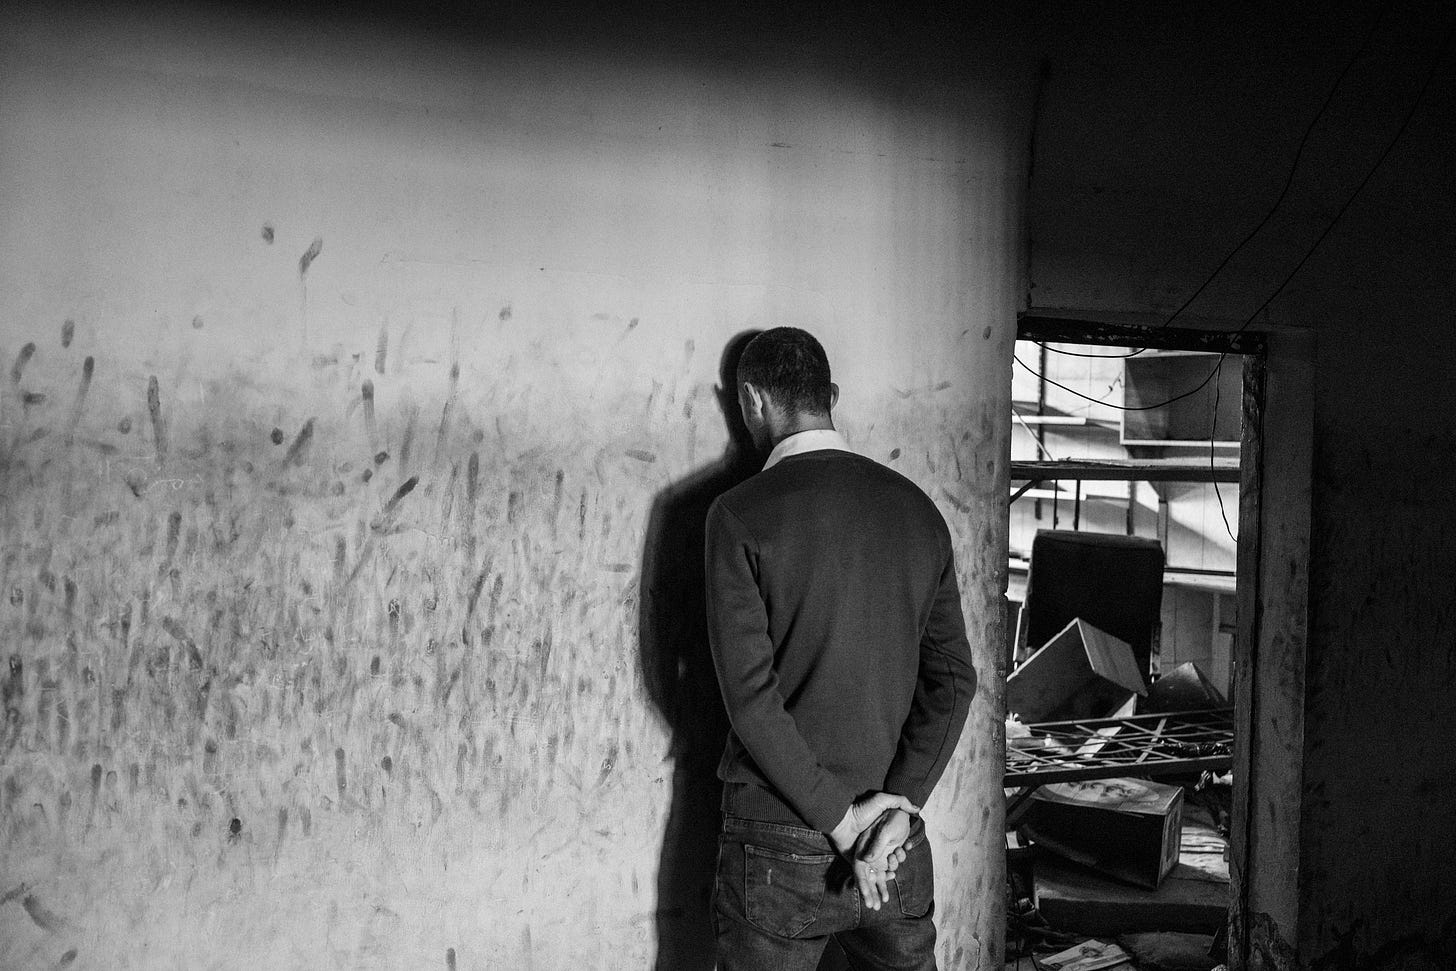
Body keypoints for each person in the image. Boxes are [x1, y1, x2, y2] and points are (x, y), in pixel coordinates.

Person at [704, 327, 977, 970]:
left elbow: (750, 700)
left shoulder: (739, 515)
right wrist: (895, 812)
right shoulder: (920, 513)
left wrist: (840, 820)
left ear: (751, 401)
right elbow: (956, 682)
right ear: (832, 397)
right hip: (894, 847)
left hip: (778, 842)